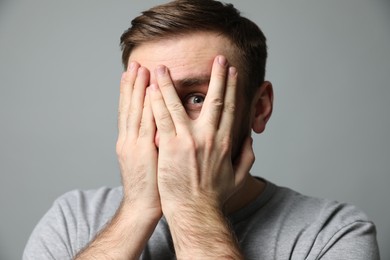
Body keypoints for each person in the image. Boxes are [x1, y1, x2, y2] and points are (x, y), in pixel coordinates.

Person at [23, 0, 380, 259]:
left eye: (195, 98)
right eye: (149, 98)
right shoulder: (72, 218)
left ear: (259, 107)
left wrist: (192, 207)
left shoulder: (332, 233)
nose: (167, 121)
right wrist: (136, 212)